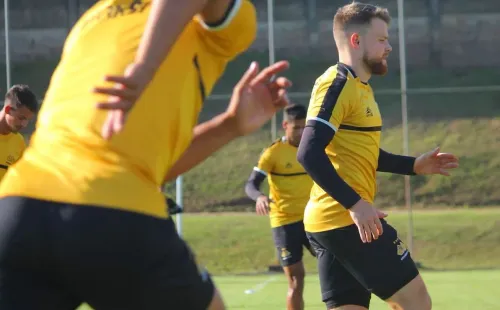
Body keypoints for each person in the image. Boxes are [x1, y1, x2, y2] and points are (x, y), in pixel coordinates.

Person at [0, 0, 292, 309]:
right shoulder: (213, 24)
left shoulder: (91, 20)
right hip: (116, 214)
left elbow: (149, 168)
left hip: (20, 211)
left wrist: (229, 125)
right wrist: (145, 66)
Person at [296, 2, 459, 310]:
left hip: (332, 224)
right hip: (345, 222)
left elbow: (364, 153)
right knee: (417, 303)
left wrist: (413, 165)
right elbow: (308, 152)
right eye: (382, 39)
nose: (389, 47)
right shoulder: (338, 84)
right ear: (356, 41)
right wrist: (356, 205)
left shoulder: (360, 88)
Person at [245, 104, 314, 310]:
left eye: (305, 128)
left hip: (314, 219)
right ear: (285, 125)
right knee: (296, 279)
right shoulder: (273, 153)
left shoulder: (315, 147)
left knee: (336, 266)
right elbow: (251, 184)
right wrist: (259, 197)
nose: (302, 133)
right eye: (297, 128)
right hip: (285, 222)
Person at [0, 85, 37, 181]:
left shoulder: (19, 142)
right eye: (21, 118)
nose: (24, 124)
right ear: (8, 110)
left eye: (27, 120)